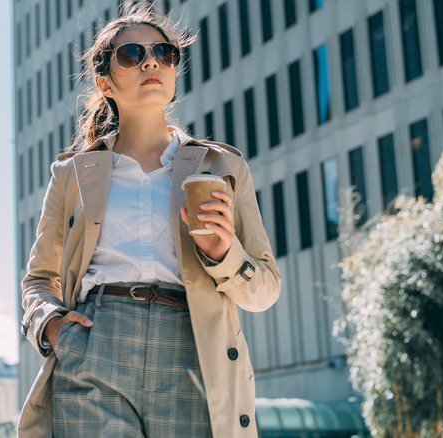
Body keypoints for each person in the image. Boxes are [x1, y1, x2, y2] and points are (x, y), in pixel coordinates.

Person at [18, 3, 281, 437]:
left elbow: (265, 288)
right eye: (132, 54)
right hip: (95, 343)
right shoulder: (72, 174)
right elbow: (39, 280)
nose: (151, 61)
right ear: (105, 82)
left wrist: (224, 254)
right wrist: (54, 325)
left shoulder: (223, 166)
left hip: (192, 350)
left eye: (164, 52)